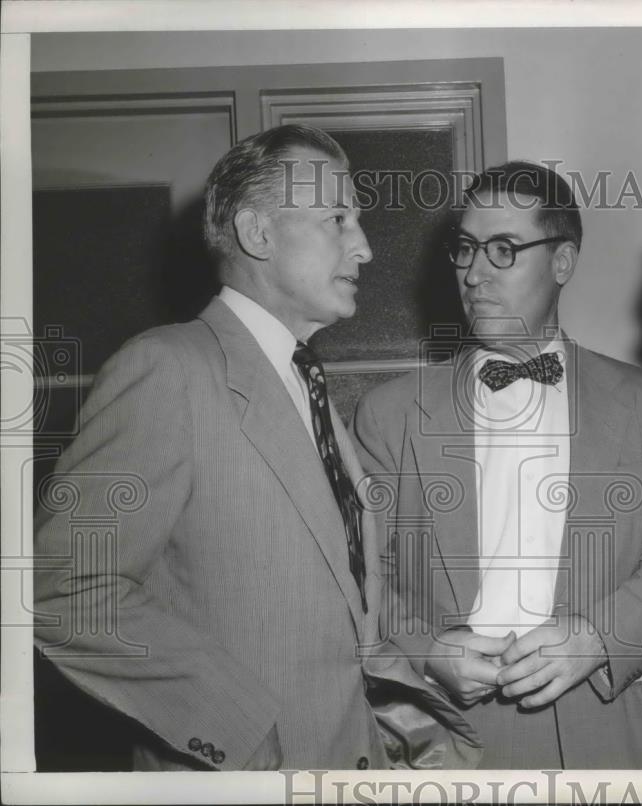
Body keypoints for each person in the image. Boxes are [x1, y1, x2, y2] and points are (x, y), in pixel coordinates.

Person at [34, 124, 479, 771]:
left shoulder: (303, 383)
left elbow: (339, 599)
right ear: (257, 233)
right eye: (337, 218)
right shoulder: (167, 369)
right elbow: (61, 587)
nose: (365, 248)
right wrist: (235, 725)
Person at [353, 161, 642, 768]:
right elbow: (364, 578)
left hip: (608, 724)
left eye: (504, 249)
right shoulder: (389, 414)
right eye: (464, 249)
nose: (474, 273)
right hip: (447, 733)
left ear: (562, 262)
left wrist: (597, 639)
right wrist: (430, 651)